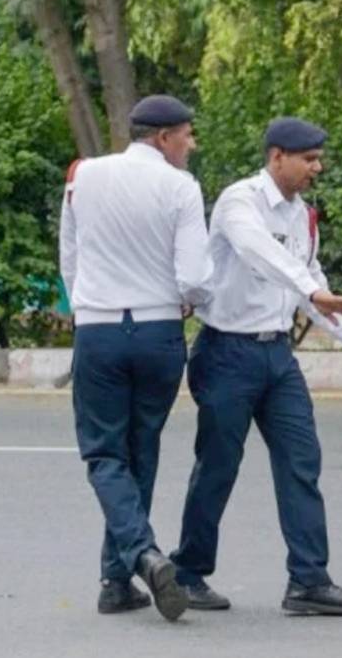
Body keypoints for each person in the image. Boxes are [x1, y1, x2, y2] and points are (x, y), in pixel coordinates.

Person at [169, 117, 342, 615]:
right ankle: (188, 574)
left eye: (319, 159)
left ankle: (308, 581)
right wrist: (311, 290)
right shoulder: (240, 201)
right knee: (218, 466)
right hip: (227, 354)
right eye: (309, 159)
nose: (316, 168)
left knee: (302, 462)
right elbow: (260, 254)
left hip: (277, 357)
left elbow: (312, 284)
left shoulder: (303, 216)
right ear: (277, 157)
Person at [59, 94, 210, 621]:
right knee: (141, 450)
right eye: (187, 135)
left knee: (105, 455)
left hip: (99, 330)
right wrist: (189, 301)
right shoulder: (181, 187)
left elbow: (70, 256)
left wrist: (86, 307)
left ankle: (136, 559)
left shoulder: (83, 175)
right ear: (163, 138)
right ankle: (118, 579)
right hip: (158, 331)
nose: (191, 145)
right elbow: (195, 276)